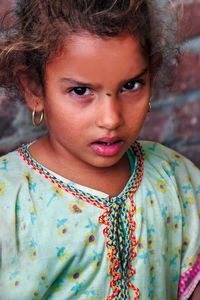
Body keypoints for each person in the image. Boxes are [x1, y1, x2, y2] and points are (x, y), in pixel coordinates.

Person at [0, 0, 199, 299]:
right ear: (34, 89)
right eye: (81, 91)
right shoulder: (8, 202)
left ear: (152, 75)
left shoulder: (177, 179)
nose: (111, 119)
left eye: (131, 85)